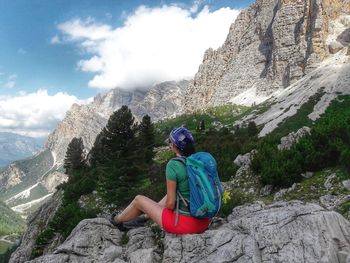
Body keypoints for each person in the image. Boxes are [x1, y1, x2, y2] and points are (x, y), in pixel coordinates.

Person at [110, 127, 210, 234]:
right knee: (173, 193)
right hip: (204, 221)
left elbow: (170, 205)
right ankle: (143, 218)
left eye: (170, 142)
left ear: (174, 146)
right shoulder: (201, 162)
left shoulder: (174, 165)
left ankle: (116, 220)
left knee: (138, 200)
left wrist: (157, 210)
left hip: (184, 225)